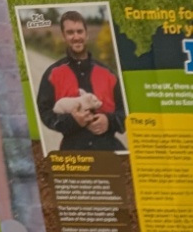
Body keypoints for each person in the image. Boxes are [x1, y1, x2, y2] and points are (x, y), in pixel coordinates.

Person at [35, 11, 126, 154]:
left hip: (109, 150)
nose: (76, 37)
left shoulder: (109, 74)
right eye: (70, 32)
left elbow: (126, 111)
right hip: (73, 153)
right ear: (64, 36)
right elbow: (45, 112)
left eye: (79, 31)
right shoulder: (53, 74)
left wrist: (109, 121)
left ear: (86, 34)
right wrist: (72, 121)